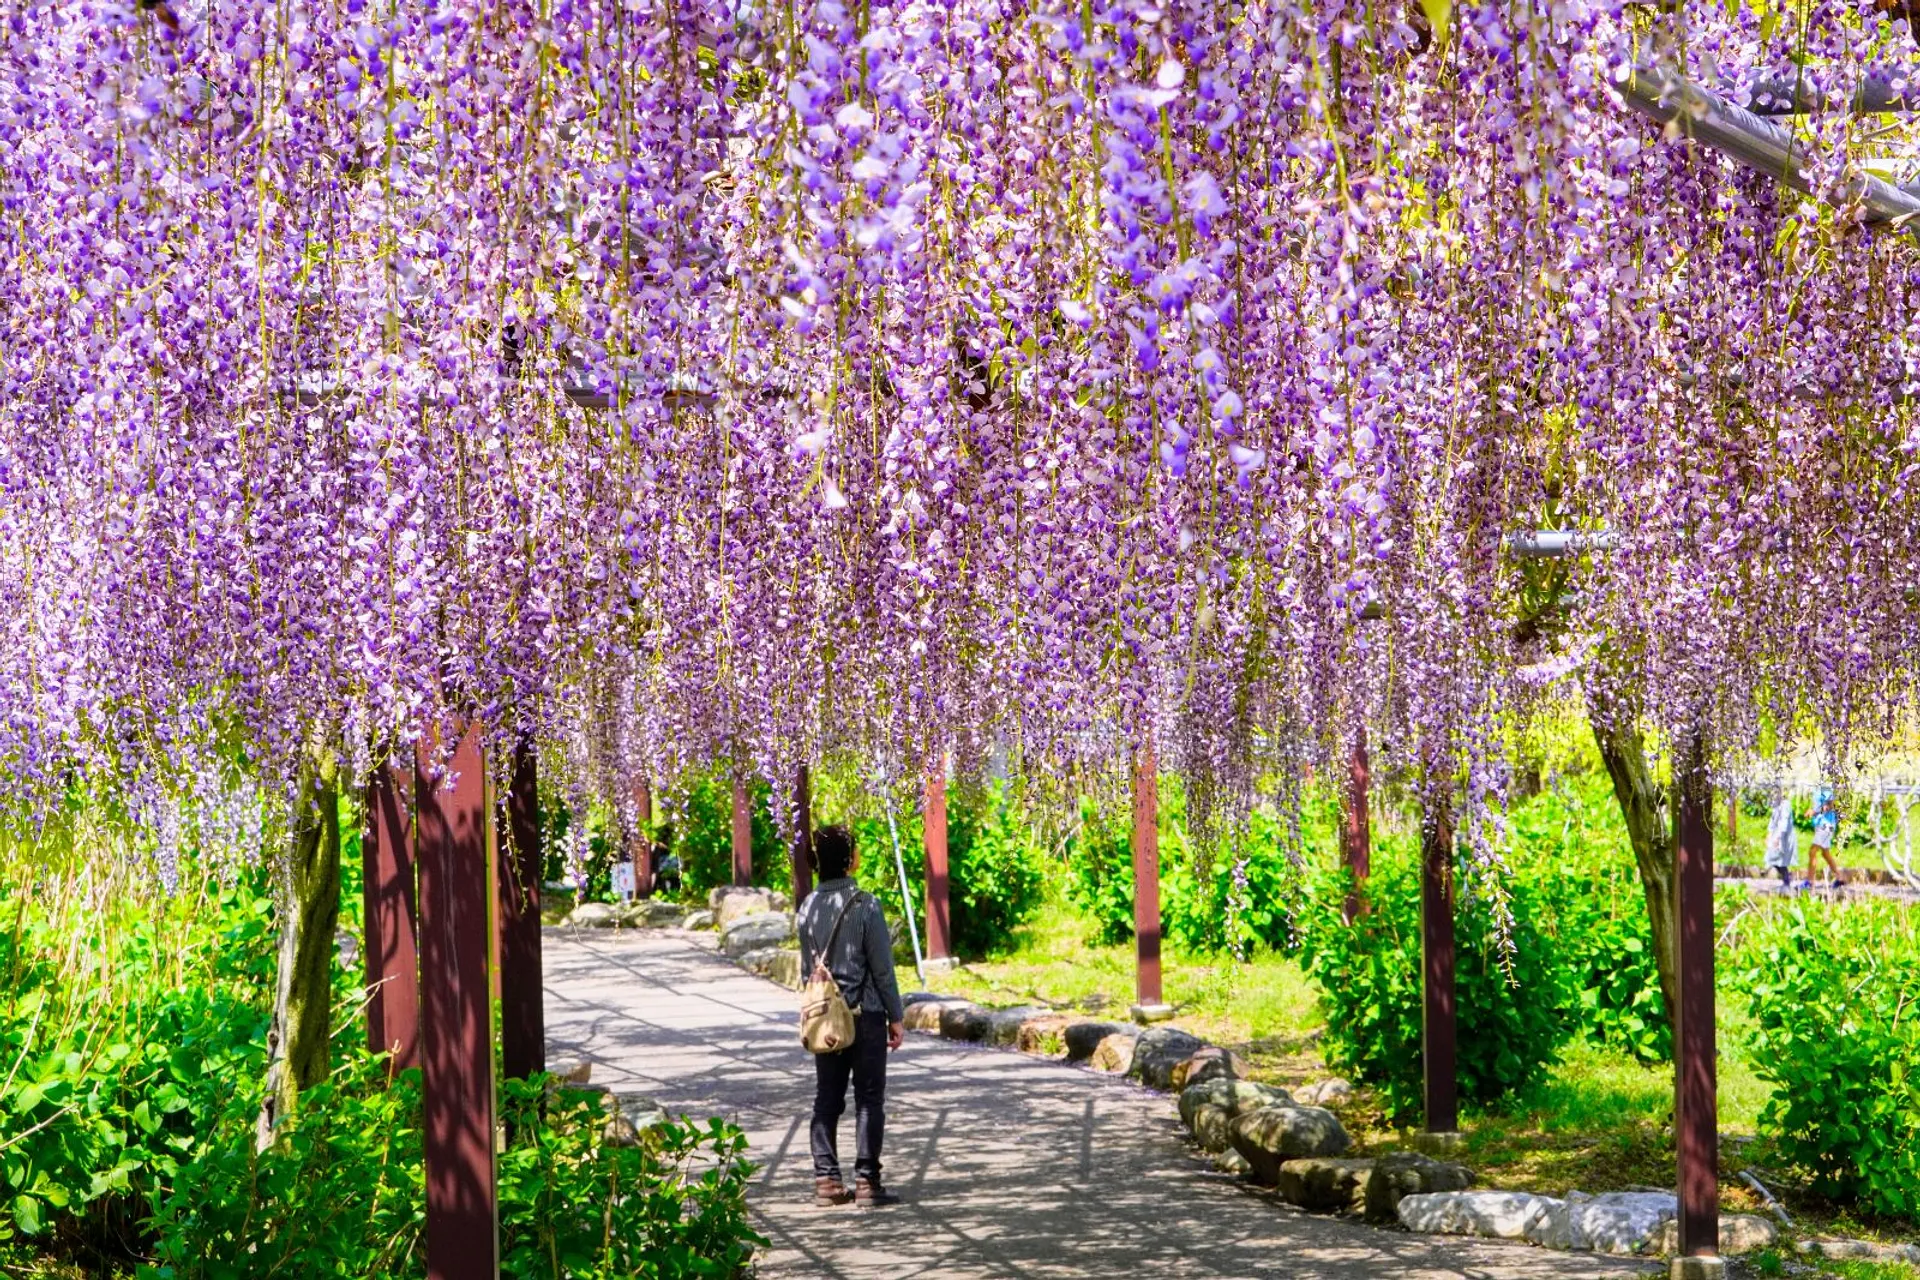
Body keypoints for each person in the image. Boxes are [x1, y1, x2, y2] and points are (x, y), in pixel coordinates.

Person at [796, 824, 905, 1209]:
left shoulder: (807, 907)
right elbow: (882, 969)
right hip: (867, 1014)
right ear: (847, 858)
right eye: (854, 848)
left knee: (827, 1099)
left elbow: (806, 970)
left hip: (825, 1018)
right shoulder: (865, 904)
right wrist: (896, 1015)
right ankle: (866, 1183)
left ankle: (826, 1179)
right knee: (869, 1099)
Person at [1806, 786, 1845, 887]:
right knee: (1825, 853)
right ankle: (1839, 878)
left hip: (1825, 825)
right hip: (1824, 825)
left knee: (1812, 851)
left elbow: (1830, 804)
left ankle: (1809, 882)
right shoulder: (1818, 788)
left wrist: (1814, 812)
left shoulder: (1826, 787)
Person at [1765, 787, 1797, 889]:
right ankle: (1787, 877)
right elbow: (1773, 821)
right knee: (1772, 858)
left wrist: (1777, 838)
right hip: (1777, 835)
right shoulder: (1776, 805)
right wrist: (1769, 834)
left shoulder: (1785, 805)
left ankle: (1787, 880)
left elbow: (1784, 822)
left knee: (1780, 858)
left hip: (1785, 836)